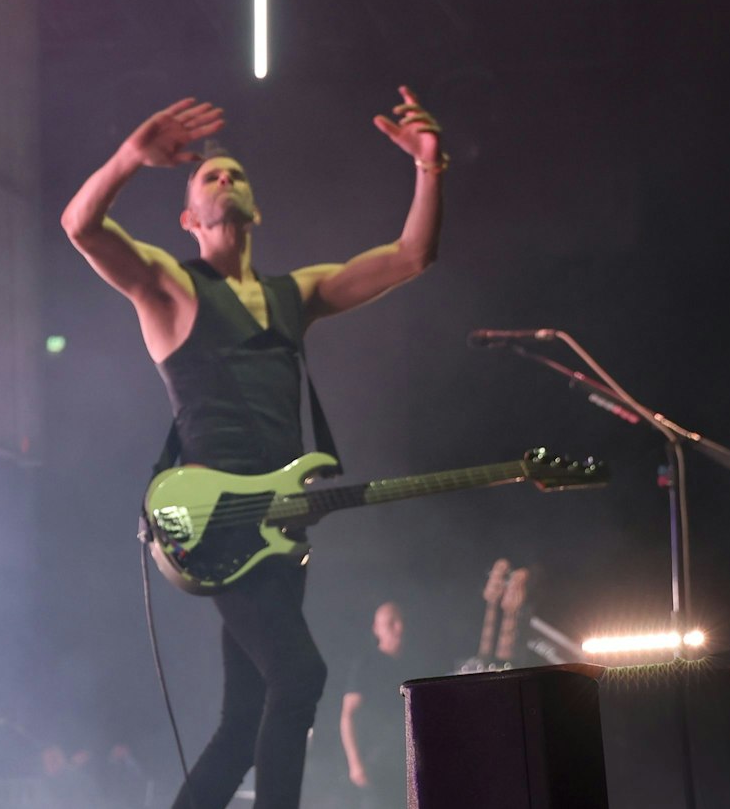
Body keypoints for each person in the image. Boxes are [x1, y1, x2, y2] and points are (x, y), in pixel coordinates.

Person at [60, 89, 445, 809]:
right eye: (208, 176)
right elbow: (81, 225)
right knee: (300, 676)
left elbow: (412, 254)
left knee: (243, 724)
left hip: (281, 523)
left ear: (257, 209)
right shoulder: (170, 287)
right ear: (188, 219)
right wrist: (128, 158)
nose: (223, 177)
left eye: (234, 173)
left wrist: (430, 167)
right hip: (219, 521)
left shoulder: (296, 292)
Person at [340, 602, 416, 807]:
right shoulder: (367, 664)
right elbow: (348, 714)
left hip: (408, 762)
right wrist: (355, 763)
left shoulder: (414, 663)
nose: (398, 628)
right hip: (377, 765)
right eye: (391, 623)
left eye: (400, 622)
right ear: (377, 629)